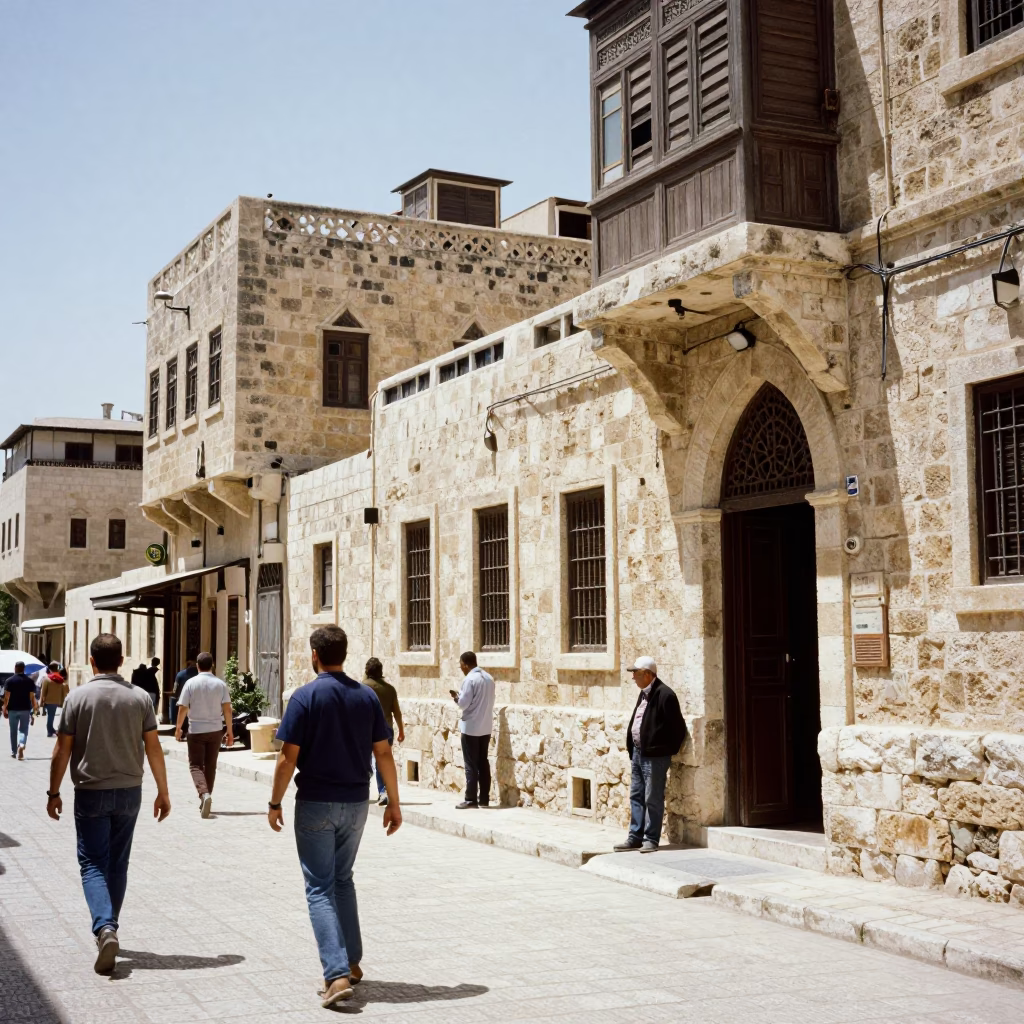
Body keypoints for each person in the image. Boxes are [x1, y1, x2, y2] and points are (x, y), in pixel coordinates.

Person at [267, 625, 401, 1009]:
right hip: (357, 803)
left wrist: (274, 802)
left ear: (314, 654)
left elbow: (287, 758)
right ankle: (353, 962)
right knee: (343, 879)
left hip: (315, 804)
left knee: (319, 887)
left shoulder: (304, 697)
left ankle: (336, 973)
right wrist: (393, 801)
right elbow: (384, 753)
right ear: (345, 653)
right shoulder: (367, 698)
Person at [46, 633, 171, 974]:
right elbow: (154, 748)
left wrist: (53, 792)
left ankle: (105, 928)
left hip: (90, 791)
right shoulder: (141, 698)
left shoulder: (78, 697)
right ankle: (109, 928)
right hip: (130, 791)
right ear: (121, 661)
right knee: (117, 864)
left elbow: (62, 749)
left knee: (91, 863)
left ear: (91, 661)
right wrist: (163, 790)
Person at [613, 656, 687, 853]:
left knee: (652, 797)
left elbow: (678, 729)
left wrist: (663, 749)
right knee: (636, 795)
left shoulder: (665, 695)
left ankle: (651, 839)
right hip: (639, 753)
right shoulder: (644, 694)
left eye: (636, 674)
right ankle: (635, 837)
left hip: (655, 756)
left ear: (648, 674)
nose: (633, 678)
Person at [175, 652, 232, 818]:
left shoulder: (190, 683)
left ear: (197, 666)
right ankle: (207, 795)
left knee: (195, 765)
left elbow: (183, 708)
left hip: (196, 730)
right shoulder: (220, 684)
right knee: (211, 765)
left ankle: (204, 794)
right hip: (215, 730)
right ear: (212, 665)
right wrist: (229, 731)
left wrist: (178, 728)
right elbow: (227, 709)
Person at [451, 651, 495, 810]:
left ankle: (470, 799)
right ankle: (484, 798)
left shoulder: (469, 680)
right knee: (483, 762)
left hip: (471, 727)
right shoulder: (489, 678)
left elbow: (463, 704)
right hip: (486, 726)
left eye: (461, 665)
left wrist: (456, 698)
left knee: (471, 764)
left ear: (466, 664)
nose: (461, 668)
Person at [363, 657, 405, 806]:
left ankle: (363, 790)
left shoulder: (362, 687)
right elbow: (397, 713)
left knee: (364, 760)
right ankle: (383, 792)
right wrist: (401, 730)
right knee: (383, 760)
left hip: (366, 728)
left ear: (367, 671)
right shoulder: (389, 689)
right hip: (386, 728)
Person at [3, 661, 39, 759]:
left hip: (12, 709)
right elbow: (32, 697)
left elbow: (7, 697)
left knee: (13, 731)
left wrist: (4, 709)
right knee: (23, 730)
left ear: (15, 668)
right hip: (25, 709)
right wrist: (35, 710)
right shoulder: (30, 681)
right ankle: (22, 744)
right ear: (24, 669)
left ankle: (14, 751)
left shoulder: (9, 681)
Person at [40, 664, 70, 738]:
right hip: (57, 701)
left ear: (50, 670)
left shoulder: (47, 679)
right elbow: (64, 690)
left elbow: (43, 691)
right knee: (51, 715)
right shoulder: (60, 679)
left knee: (50, 716)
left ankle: (50, 731)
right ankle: (51, 730)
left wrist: (41, 702)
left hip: (48, 700)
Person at [170, 658, 198, 732]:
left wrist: (175, 695)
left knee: (183, 714)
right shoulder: (199, 674)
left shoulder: (180, 674)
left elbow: (175, 688)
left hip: (183, 698)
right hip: (196, 700)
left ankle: (181, 730)